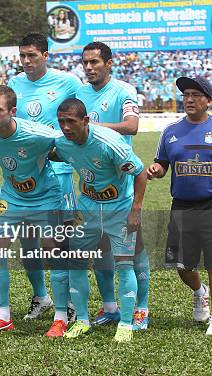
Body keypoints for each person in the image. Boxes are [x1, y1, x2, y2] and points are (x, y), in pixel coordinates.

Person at [0, 85, 70, 337]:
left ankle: (62, 316)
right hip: (12, 199)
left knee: (54, 252)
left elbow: (70, 143)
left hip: (45, 198)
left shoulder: (37, 134)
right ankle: (3, 316)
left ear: (13, 111)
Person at [53, 98, 147, 342]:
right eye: (61, 121)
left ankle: (126, 324)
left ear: (85, 121)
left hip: (119, 211)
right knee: (76, 263)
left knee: (124, 265)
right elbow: (48, 151)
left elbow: (140, 172)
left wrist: (136, 209)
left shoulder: (109, 142)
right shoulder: (64, 144)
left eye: (71, 122)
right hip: (87, 210)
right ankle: (82, 321)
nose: (65, 127)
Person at [8, 33, 82, 321]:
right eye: (22, 55)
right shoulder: (13, 85)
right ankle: (41, 296)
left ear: (46, 55)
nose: (26, 61)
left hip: (59, 170)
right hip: (25, 173)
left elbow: (80, 118)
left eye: (32, 55)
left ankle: (71, 302)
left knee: (59, 241)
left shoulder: (68, 83)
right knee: (27, 240)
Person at [76, 41, 150, 331]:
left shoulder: (123, 91)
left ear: (109, 63)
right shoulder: (80, 93)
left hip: (122, 185)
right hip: (92, 187)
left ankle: (141, 309)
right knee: (99, 253)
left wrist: (93, 130)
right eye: (86, 63)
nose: (89, 68)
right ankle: (110, 308)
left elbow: (132, 126)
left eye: (95, 62)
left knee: (133, 253)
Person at [147, 75, 212, 336]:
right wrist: (157, 169)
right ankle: (199, 293)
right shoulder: (171, 131)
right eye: (186, 95)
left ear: (208, 100)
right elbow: (162, 163)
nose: (189, 99)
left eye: (196, 94)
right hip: (182, 205)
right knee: (183, 265)